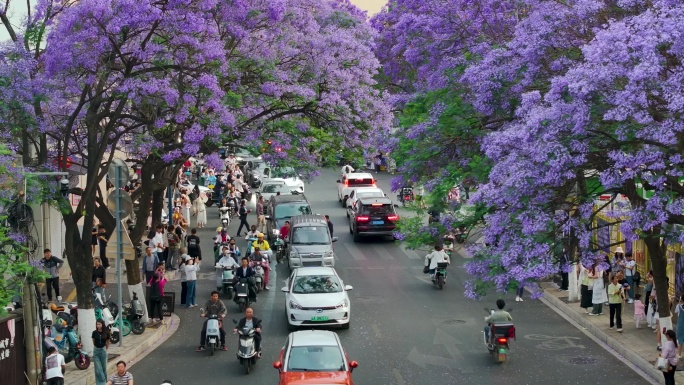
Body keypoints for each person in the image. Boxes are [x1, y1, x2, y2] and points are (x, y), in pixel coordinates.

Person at [92, 319, 110, 385]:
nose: (98, 326)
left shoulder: (106, 332)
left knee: (104, 368)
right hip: (96, 351)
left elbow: (108, 341)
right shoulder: (94, 332)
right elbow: (93, 341)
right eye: (97, 324)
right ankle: (100, 383)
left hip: (103, 351)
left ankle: (105, 382)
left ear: (102, 324)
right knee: (98, 369)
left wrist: (106, 347)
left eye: (99, 324)